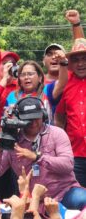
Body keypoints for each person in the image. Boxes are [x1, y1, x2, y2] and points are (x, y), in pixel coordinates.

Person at [0, 96, 86, 211]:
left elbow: (68, 165)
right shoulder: (12, 140)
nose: (33, 123)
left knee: (83, 199)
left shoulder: (57, 134)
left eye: (36, 118)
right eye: (28, 119)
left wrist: (37, 157)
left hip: (64, 193)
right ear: (19, 118)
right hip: (33, 201)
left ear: (43, 115)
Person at [55, 38, 86, 187]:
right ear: (71, 64)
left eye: (84, 59)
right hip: (76, 155)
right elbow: (59, 117)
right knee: (79, 200)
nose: (81, 64)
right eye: (76, 60)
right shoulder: (65, 84)